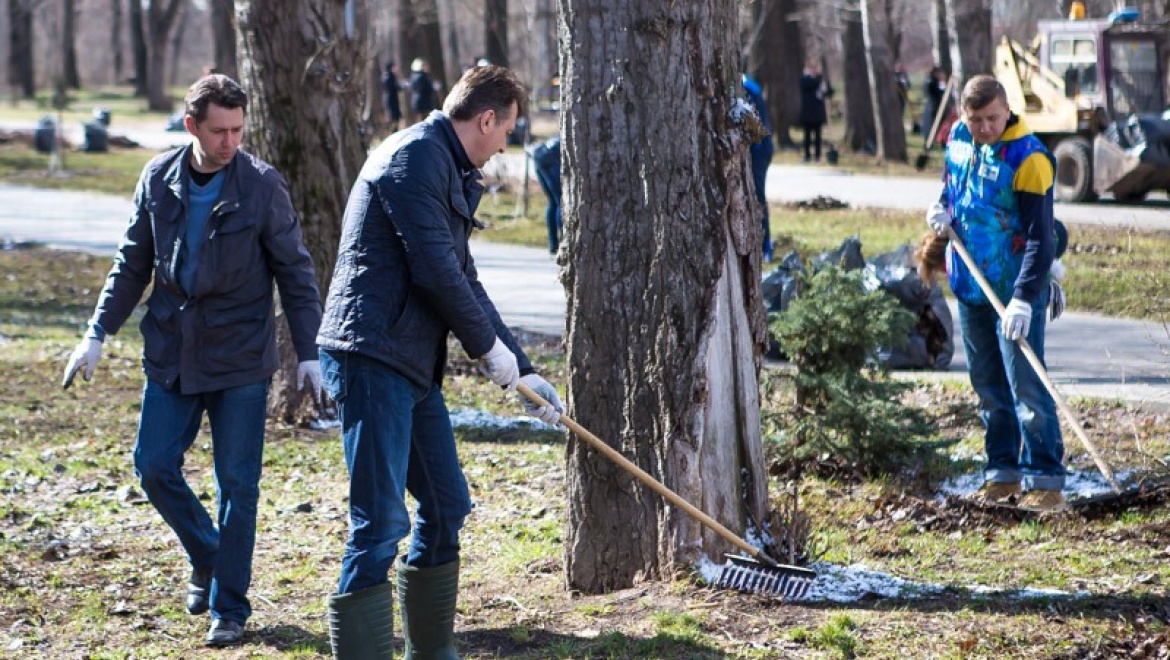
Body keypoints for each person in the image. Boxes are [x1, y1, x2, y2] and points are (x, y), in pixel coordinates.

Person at [61, 74, 323, 647]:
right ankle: (209, 555)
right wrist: (97, 332)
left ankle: (229, 607)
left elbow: (296, 271)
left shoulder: (262, 186)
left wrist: (309, 353)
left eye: (238, 130)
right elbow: (132, 263)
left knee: (238, 486)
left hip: (239, 358)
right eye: (218, 131)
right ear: (191, 126)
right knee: (153, 465)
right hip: (172, 350)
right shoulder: (158, 178)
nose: (230, 142)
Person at [317, 64, 565, 659]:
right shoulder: (413, 160)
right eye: (507, 131)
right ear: (486, 119)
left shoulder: (444, 164)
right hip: (370, 356)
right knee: (380, 524)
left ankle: (431, 652)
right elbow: (435, 272)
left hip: (410, 363)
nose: (504, 146)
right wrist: (487, 350)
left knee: (446, 503)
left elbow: (463, 277)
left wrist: (522, 368)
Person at [925, 74, 1066, 512]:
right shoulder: (958, 139)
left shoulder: (1029, 158)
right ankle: (1002, 474)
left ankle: (1045, 480)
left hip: (1015, 289)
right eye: (976, 119)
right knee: (988, 386)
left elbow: (1041, 236)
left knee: (1027, 386)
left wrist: (1024, 298)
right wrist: (941, 208)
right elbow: (954, 187)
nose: (985, 127)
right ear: (963, 115)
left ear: (1007, 110)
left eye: (992, 118)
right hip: (971, 284)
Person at [742, 73, 775, 261]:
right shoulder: (746, 83)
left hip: (759, 149)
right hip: (757, 147)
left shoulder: (745, 86)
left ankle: (764, 246)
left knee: (757, 196)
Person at [529, 134, 563, 254]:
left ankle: (553, 243)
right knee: (561, 201)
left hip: (539, 156)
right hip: (551, 159)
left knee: (553, 202)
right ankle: (564, 240)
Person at [798, 60, 832, 163]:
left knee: (818, 136)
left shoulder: (820, 80)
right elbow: (807, 85)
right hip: (808, 112)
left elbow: (829, 92)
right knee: (807, 136)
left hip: (817, 113)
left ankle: (817, 156)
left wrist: (825, 87)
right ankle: (807, 156)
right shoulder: (805, 80)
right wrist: (818, 82)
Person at [922, 66, 949, 147]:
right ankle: (930, 142)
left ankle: (939, 140)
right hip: (934, 106)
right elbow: (940, 92)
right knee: (932, 124)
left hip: (936, 105)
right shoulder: (933, 82)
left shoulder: (934, 81)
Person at [408, 58, 437, 124]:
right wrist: (432, 87)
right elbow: (424, 89)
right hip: (423, 101)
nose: (427, 68)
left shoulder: (413, 75)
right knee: (424, 121)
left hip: (416, 101)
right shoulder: (422, 76)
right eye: (425, 66)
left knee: (420, 120)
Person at [382, 61, 403, 132]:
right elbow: (391, 87)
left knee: (395, 118)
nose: (396, 69)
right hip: (391, 100)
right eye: (394, 67)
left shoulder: (388, 76)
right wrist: (399, 87)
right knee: (393, 119)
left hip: (391, 100)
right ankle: (393, 132)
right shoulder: (389, 76)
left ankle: (394, 131)